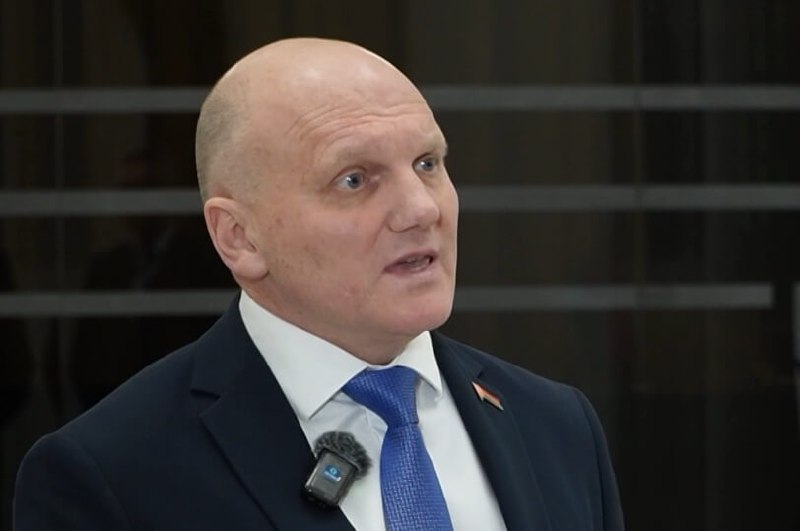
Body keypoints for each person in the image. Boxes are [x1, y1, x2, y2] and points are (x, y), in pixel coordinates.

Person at [13, 38, 624, 530]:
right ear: (240, 238)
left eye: (427, 164)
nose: (421, 208)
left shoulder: (556, 425)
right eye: (354, 179)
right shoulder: (112, 473)